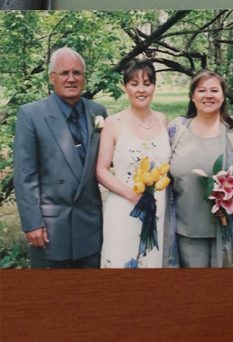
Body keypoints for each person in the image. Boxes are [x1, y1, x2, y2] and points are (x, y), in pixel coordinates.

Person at [13, 48, 106, 268]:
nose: (71, 79)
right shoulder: (31, 114)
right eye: (64, 73)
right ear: (52, 77)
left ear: (84, 77)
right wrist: (32, 223)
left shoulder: (98, 111)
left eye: (77, 73)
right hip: (50, 227)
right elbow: (25, 175)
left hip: (90, 225)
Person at [165, 70, 233, 268]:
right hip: (186, 229)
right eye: (202, 90)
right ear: (192, 96)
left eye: (214, 90)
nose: (208, 95)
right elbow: (164, 174)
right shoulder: (176, 129)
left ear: (223, 96)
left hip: (229, 229)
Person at [96, 60, 170, 268]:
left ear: (154, 86)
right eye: (134, 83)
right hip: (124, 207)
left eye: (147, 83)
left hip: (156, 207)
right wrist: (132, 196)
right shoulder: (113, 123)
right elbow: (101, 171)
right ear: (125, 87)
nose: (141, 89)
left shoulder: (163, 119)